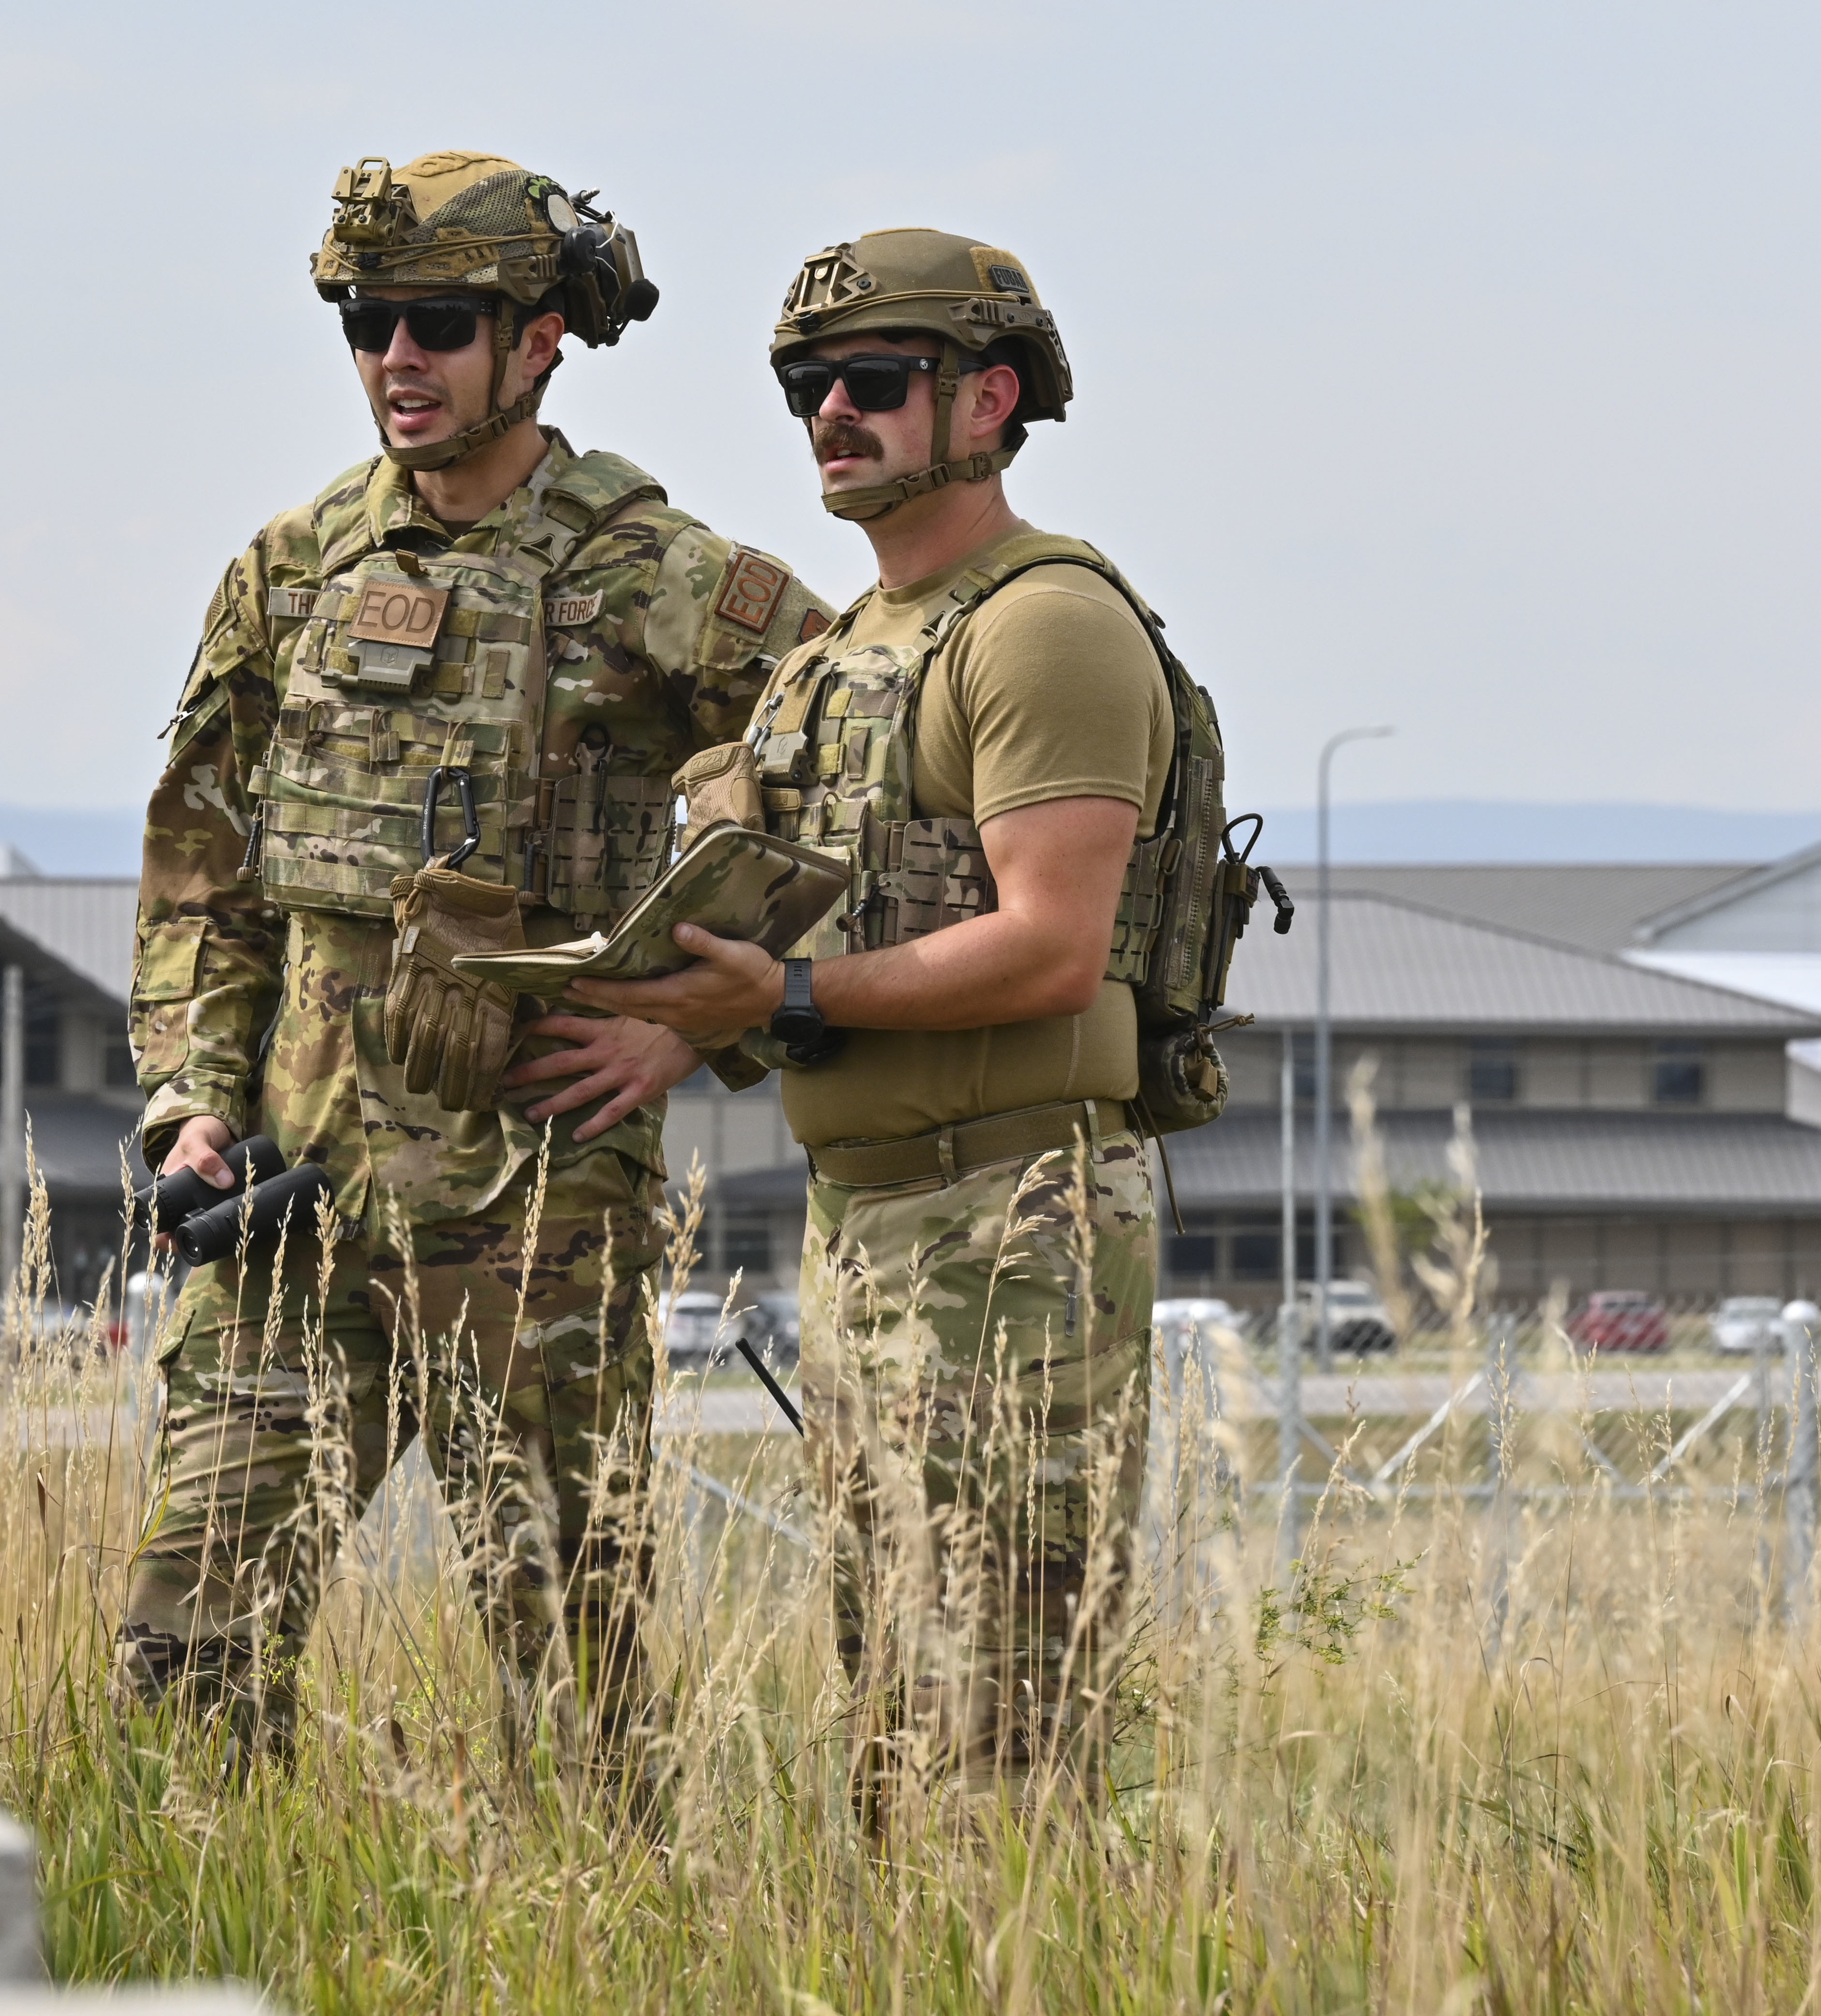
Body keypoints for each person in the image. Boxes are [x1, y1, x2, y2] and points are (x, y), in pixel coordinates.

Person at [119, 150, 830, 1780]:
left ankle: (611, 1936)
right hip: (293, 1203)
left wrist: (694, 1029)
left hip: (532, 1218)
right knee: (186, 1644)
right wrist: (191, 1107)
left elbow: (853, 772)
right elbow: (206, 872)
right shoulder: (293, 570)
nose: (396, 360)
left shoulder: (646, 573)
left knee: (570, 1660)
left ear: (539, 345)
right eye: (366, 322)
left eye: (440, 321)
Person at [572, 229, 1191, 1791]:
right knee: (897, 1698)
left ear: (987, 402)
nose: (828, 413)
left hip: (1008, 1215)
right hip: (871, 1223)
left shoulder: (1040, 624)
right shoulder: (841, 653)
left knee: (1003, 1705)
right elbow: (798, 910)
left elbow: (1054, 949)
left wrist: (780, 992)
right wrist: (678, 1015)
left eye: (871, 381)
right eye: (805, 385)